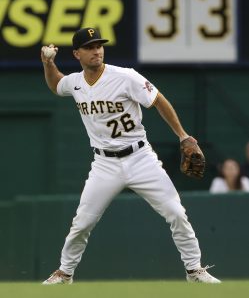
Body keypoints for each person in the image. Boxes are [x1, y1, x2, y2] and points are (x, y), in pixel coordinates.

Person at [41, 27, 220, 284]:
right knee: (82, 223)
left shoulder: (125, 77)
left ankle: (194, 270)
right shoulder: (76, 82)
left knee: (176, 212)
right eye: (90, 47)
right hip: (104, 163)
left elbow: (158, 100)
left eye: (99, 46)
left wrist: (184, 136)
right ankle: (65, 272)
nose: (97, 51)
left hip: (140, 158)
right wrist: (48, 63)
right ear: (77, 53)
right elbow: (57, 84)